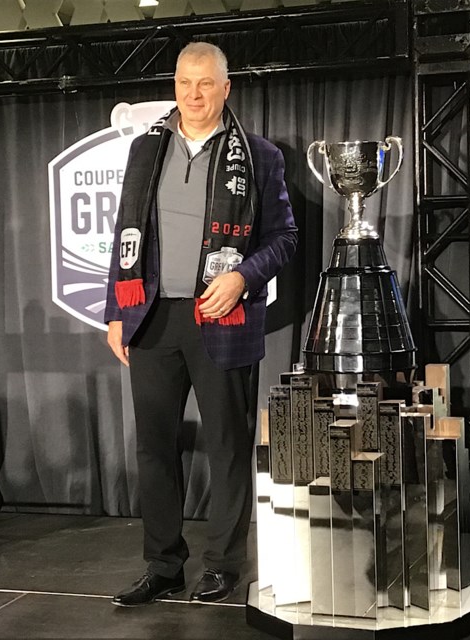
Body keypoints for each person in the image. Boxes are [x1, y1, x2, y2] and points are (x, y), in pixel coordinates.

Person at [103, 41, 298, 606]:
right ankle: (163, 566)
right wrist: (116, 312)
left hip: (223, 316)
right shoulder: (145, 149)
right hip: (152, 318)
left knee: (229, 447)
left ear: (226, 87)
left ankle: (223, 566)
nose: (192, 94)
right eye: (184, 82)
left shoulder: (259, 156)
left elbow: (284, 238)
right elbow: (124, 235)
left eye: (205, 83)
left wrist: (242, 277)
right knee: (154, 449)